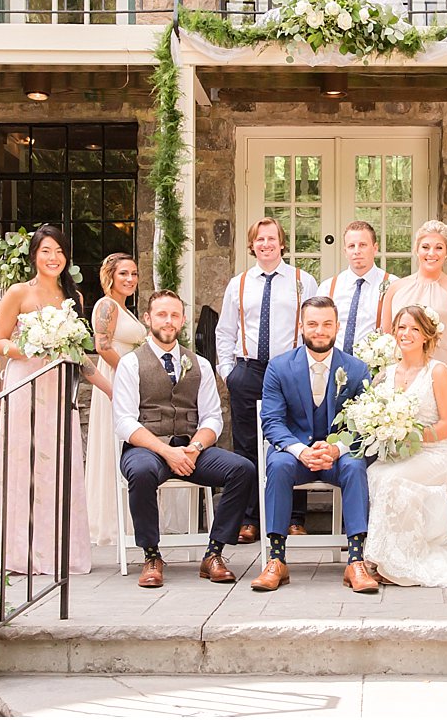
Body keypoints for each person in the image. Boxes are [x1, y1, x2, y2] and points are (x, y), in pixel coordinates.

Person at [112, 289, 257, 588]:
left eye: (174, 315)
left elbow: (213, 418)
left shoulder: (200, 364)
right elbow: (124, 421)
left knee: (242, 469)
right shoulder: (130, 363)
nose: (168, 321)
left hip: (192, 448)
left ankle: (214, 553)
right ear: (148, 318)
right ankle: (152, 555)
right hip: (148, 448)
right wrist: (166, 452)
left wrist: (195, 448)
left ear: (182, 321)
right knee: (140, 472)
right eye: (162, 314)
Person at [0, 225, 108, 574]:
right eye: (46, 251)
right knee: (22, 464)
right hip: (24, 382)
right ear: (34, 256)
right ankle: (18, 554)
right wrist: (27, 347)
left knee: (58, 466)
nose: (53, 257)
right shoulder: (18, 293)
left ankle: (57, 552)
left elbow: (79, 356)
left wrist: (113, 389)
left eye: (58, 251)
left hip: (58, 388)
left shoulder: (75, 299)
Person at [249, 296, 378, 594]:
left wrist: (337, 449)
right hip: (296, 456)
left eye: (326, 324)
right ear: (301, 327)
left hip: (338, 456)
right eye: (313, 324)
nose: (319, 330)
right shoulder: (279, 368)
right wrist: (301, 451)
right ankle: (276, 560)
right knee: (278, 464)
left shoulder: (357, 370)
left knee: (356, 465)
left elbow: (366, 424)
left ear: (336, 327)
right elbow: (272, 421)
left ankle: (355, 561)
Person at [365, 305, 447, 588]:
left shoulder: (437, 371)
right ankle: (386, 555)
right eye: (401, 327)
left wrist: (409, 435)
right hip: (401, 453)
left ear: (426, 335)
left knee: (391, 478)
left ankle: (396, 561)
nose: (407, 334)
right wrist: (385, 431)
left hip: (437, 454)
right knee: (375, 473)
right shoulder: (386, 374)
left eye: (414, 328)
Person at [215, 218, 318, 542]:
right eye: (260, 239)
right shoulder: (239, 283)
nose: (266, 244)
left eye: (272, 238)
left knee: (296, 437)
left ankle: (294, 518)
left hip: (289, 368)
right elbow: (225, 331)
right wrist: (229, 371)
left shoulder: (303, 281)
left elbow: (312, 327)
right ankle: (250, 519)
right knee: (246, 445)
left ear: (282, 243)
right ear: (252, 245)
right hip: (249, 370)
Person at [379, 220, 447, 404]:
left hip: (444, 375)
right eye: (425, 247)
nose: (431, 253)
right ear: (416, 249)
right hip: (402, 379)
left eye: (438, 247)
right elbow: (386, 339)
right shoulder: (395, 288)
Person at [83, 253, 134, 547]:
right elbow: (102, 347)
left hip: (129, 381)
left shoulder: (125, 309)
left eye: (134, 274)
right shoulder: (106, 306)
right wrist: (128, 375)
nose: (130, 279)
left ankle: (126, 517)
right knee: (112, 447)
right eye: (124, 274)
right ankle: (108, 523)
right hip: (117, 380)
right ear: (110, 277)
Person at [320, 220, 392, 355]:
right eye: (352, 246)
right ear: (345, 251)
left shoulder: (392, 285)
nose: (357, 251)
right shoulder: (328, 287)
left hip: (376, 370)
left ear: (375, 248)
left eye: (363, 245)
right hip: (334, 366)